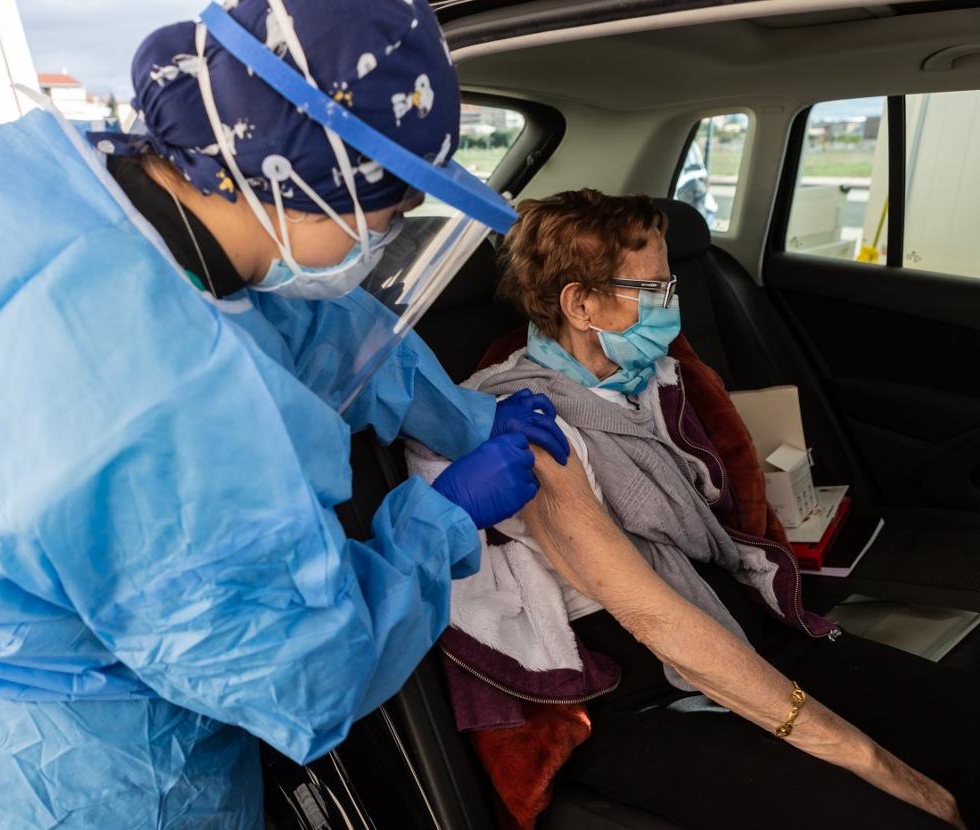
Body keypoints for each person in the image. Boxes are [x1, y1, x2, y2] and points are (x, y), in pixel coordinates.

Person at [0, 2, 571, 828]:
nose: (383, 242)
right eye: (386, 217)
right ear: (297, 182)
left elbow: (317, 328)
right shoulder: (172, 422)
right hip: (76, 766)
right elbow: (307, 670)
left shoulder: (17, 189)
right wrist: (442, 521)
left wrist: (458, 414)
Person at [413, 189, 979, 829]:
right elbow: (652, 617)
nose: (671, 305)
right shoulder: (530, 424)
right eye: (651, 290)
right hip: (630, 683)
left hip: (727, 618)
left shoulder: (650, 379)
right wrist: (873, 761)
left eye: (670, 284)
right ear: (580, 303)